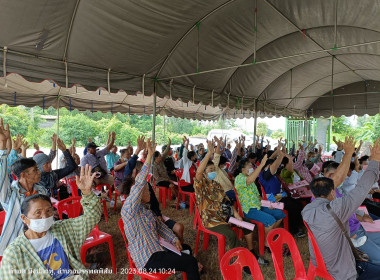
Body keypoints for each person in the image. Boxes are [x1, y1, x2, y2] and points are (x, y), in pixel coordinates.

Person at [0, 164, 102, 280]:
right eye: (38, 213)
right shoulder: (14, 254)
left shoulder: (63, 229)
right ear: (24, 218)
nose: (44, 217)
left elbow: (92, 217)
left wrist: (87, 194)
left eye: (48, 211)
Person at [122, 138, 201, 279]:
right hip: (148, 259)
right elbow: (139, 184)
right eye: (146, 191)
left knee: (186, 249)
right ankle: (188, 268)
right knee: (191, 261)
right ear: (136, 194)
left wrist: (173, 239)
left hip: (157, 251)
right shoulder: (128, 208)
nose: (149, 193)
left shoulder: (146, 210)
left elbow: (160, 226)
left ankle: (182, 269)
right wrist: (149, 157)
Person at [302, 136, 380, 280]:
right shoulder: (336, 207)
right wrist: (374, 160)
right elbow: (362, 188)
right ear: (332, 191)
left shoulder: (307, 209)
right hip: (342, 268)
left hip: (328, 256)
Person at [194, 140, 268, 267]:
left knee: (247, 224)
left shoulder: (217, 185)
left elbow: (227, 202)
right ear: (205, 174)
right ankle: (240, 263)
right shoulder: (201, 186)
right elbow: (198, 173)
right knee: (232, 235)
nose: (213, 171)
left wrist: (236, 215)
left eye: (213, 169)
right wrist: (209, 153)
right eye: (210, 170)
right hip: (211, 220)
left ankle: (251, 253)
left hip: (224, 216)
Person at [0, 119, 49, 256]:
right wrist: (3, 146)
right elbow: (1, 177)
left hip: (41, 241)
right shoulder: (10, 194)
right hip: (17, 245)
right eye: (35, 170)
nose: (39, 172)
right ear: (24, 175)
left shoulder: (41, 190)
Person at [235, 157, 286, 250]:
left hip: (259, 206)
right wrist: (261, 164)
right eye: (249, 166)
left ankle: (268, 236)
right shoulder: (239, 178)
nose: (252, 168)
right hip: (249, 210)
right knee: (271, 220)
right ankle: (267, 244)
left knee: (280, 214)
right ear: (243, 170)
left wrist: (268, 204)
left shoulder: (251, 180)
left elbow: (258, 197)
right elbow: (249, 180)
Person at [259, 141, 305, 238]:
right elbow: (272, 163)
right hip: (272, 201)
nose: (276, 167)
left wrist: (279, 150)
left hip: (280, 197)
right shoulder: (265, 175)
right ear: (268, 167)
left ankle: (296, 225)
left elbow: (271, 160)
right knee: (294, 207)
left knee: (298, 203)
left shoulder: (272, 175)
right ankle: (293, 230)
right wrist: (281, 155)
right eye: (273, 166)